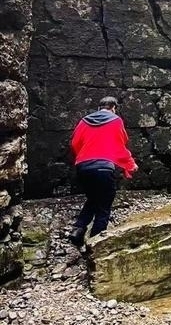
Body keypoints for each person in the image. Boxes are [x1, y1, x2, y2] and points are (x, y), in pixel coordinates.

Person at [68, 96, 137, 247]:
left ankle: (78, 229)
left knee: (94, 198)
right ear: (113, 108)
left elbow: (74, 143)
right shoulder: (115, 120)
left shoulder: (84, 121)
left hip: (83, 167)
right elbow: (120, 145)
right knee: (104, 204)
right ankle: (96, 243)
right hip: (103, 167)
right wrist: (130, 164)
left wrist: (84, 157)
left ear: (99, 107)